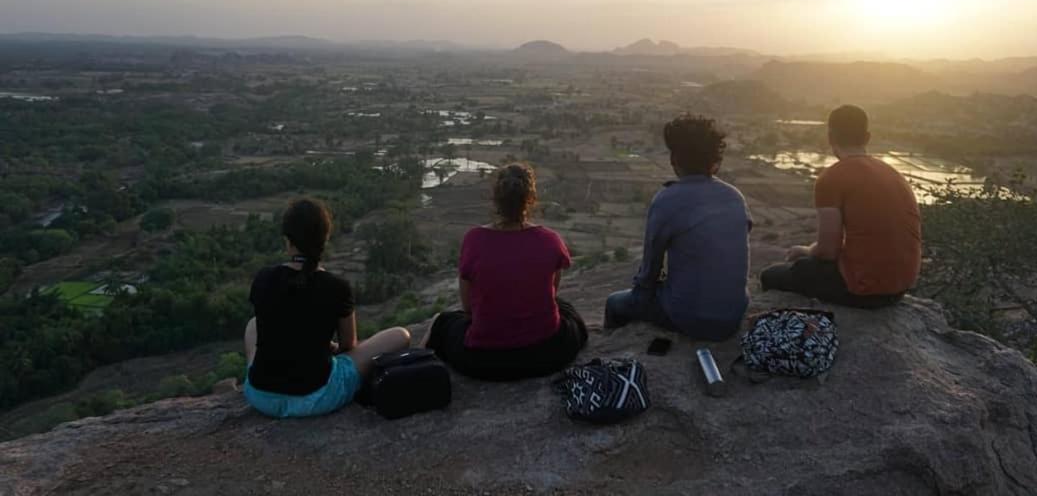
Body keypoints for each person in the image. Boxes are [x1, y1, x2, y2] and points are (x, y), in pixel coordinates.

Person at [243, 198, 411, 418]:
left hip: (261, 397)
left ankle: (264, 377)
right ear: (325, 240)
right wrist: (323, 346)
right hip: (317, 397)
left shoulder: (264, 278)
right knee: (400, 335)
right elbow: (348, 344)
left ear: (288, 241)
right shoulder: (336, 287)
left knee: (253, 325)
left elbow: (277, 322)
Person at [422, 163, 588, 380]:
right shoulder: (550, 240)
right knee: (566, 310)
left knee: (441, 322)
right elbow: (552, 294)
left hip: (484, 361)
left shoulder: (475, 240)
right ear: (530, 198)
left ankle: (417, 369)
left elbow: (468, 308)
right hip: (546, 354)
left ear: (496, 198)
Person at [604, 114, 751, 341]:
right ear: (715, 160)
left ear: (674, 159)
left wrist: (641, 295)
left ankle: (608, 353)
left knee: (614, 303)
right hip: (732, 316)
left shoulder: (667, 200)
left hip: (690, 318)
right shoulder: (735, 197)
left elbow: (650, 269)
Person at [761, 104, 922, 308]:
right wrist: (809, 250)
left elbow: (828, 251)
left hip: (862, 290)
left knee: (773, 274)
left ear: (830, 138)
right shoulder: (892, 174)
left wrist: (806, 252)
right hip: (900, 288)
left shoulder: (832, 177)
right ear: (867, 137)